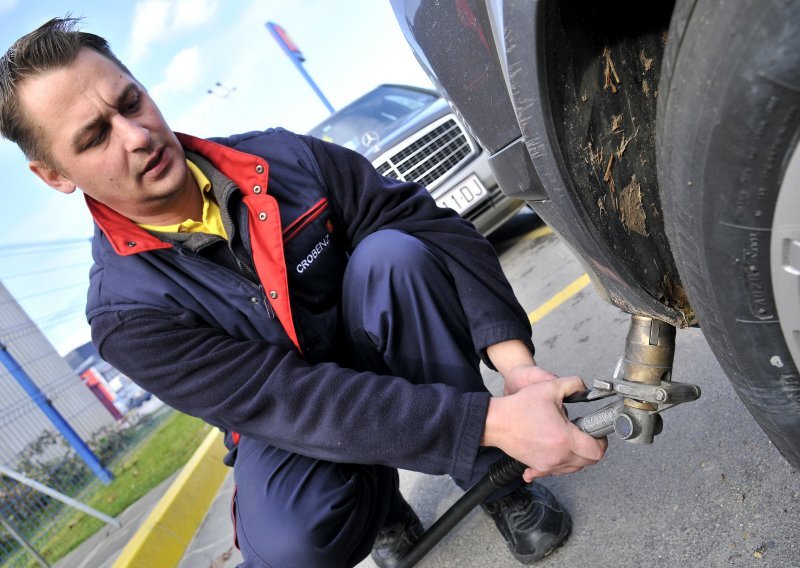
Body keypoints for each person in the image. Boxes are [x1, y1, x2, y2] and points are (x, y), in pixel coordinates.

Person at [0, 18, 606, 567]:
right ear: (54, 174)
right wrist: (495, 419)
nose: (136, 136)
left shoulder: (282, 157)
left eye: (131, 102)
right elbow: (290, 402)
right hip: (295, 417)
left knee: (395, 256)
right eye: (94, 137)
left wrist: (518, 371)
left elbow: (429, 225)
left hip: (379, 345)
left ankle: (497, 480)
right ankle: (384, 513)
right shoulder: (125, 315)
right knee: (290, 549)